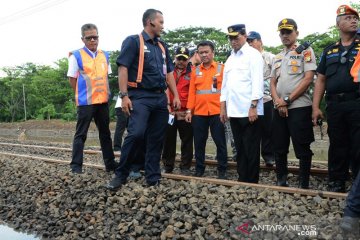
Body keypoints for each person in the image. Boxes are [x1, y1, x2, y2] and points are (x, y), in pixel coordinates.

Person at [106, 9, 181, 190]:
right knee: (136, 133)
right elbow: (123, 68)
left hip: (159, 97)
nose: (163, 26)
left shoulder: (162, 46)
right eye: (161, 22)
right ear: (150, 22)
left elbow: (169, 72)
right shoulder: (133, 41)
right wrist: (124, 96)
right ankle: (121, 175)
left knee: (156, 138)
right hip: (139, 96)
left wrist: (175, 95)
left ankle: (152, 177)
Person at [313, 5, 360, 192]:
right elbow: (321, 80)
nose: (353, 20)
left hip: (357, 103)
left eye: (355, 18)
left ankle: (357, 183)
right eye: (348, 18)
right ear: (338, 23)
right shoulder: (329, 50)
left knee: (358, 145)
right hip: (335, 105)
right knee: (338, 144)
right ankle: (336, 181)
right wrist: (316, 107)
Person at [270, 18, 317, 189]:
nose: (285, 35)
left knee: (302, 146)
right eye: (282, 32)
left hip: (299, 107)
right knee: (279, 146)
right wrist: (278, 102)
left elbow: (308, 79)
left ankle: (303, 182)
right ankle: (281, 180)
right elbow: (272, 82)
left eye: (288, 32)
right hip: (279, 107)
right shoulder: (277, 56)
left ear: (296, 32)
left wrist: (287, 100)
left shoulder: (306, 51)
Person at [67, 23, 118, 174]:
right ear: (83, 39)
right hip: (86, 102)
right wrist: (80, 94)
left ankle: (110, 164)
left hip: (102, 102)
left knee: (105, 134)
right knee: (81, 134)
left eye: (95, 37)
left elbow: (106, 77)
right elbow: (72, 79)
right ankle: (76, 166)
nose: (93, 41)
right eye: (89, 38)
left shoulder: (105, 55)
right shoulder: (76, 56)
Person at [220, 24, 264, 183]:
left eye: (236, 37)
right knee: (239, 148)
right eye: (230, 38)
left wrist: (253, 107)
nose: (233, 41)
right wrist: (223, 108)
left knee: (251, 148)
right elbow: (225, 86)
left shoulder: (253, 55)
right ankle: (242, 178)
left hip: (248, 110)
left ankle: (252, 182)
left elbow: (257, 83)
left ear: (244, 36)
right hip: (233, 111)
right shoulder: (230, 58)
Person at [185, 40, 228, 179]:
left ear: (212, 53)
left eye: (206, 52)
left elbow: (226, 91)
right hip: (199, 113)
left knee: (220, 142)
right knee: (199, 142)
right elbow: (192, 92)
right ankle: (199, 168)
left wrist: (225, 110)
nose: (204, 55)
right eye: (201, 52)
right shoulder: (195, 71)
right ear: (197, 54)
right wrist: (188, 111)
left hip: (217, 112)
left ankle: (222, 169)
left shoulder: (222, 69)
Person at [162, 46, 193, 175]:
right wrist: (167, 105)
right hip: (169, 111)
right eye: (179, 58)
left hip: (185, 112)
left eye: (184, 59)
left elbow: (193, 93)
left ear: (188, 59)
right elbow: (164, 88)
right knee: (168, 140)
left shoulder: (193, 72)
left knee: (186, 140)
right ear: (174, 58)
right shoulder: (168, 71)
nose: (181, 61)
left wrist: (189, 110)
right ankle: (168, 165)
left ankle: (185, 166)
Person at [247, 31, 275, 167]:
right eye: (248, 42)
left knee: (268, 130)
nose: (250, 44)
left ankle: (268, 156)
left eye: (252, 41)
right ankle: (252, 157)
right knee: (252, 130)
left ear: (260, 41)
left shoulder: (269, 57)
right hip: (250, 100)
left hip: (266, 99)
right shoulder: (246, 58)